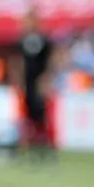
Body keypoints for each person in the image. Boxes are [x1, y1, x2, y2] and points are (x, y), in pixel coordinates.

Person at [17, 10, 55, 160]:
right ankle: (30, 144)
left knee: (40, 113)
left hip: (39, 82)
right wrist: (19, 81)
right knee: (28, 114)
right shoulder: (22, 40)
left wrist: (46, 80)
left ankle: (43, 144)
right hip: (27, 82)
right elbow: (18, 61)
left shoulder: (43, 40)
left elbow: (48, 62)